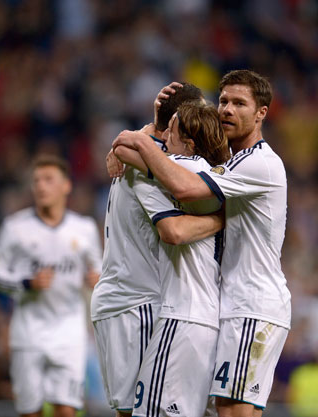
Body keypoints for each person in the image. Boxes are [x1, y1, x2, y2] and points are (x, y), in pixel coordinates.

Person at [113, 70, 291, 417]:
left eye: (239, 103)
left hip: (251, 304)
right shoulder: (230, 163)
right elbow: (177, 167)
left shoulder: (259, 164)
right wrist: (143, 135)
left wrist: (138, 142)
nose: (227, 110)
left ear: (261, 113)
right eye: (223, 101)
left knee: (232, 412)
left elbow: (184, 185)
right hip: (230, 306)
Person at [91, 84, 224, 417]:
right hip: (141, 302)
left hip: (122, 298)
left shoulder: (146, 159)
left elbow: (127, 144)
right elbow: (173, 230)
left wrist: (145, 131)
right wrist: (223, 220)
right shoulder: (158, 169)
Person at [0, 154, 102, 417]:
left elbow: (100, 270)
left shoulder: (84, 229)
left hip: (69, 331)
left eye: (48, 179)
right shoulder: (14, 227)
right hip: (28, 332)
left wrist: (95, 279)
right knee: (30, 411)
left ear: (66, 186)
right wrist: (25, 283)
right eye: (36, 180)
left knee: (66, 410)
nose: (40, 186)